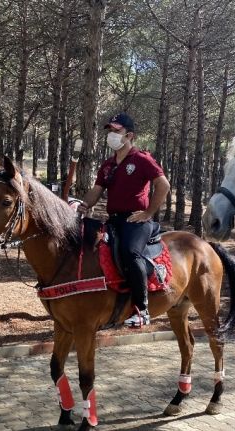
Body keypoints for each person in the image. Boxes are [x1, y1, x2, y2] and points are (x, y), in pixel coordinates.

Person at [79, 113, 170, 328]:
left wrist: (148, 212)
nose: (111, 135)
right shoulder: (108, 165)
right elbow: (96, 191)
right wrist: (84, 205)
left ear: (129, 135)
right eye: (110, 131)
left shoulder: (142, 159)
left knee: (130, 252)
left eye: (116, 131)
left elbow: (163, 185)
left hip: (136, 221)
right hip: (113, 220)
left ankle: (142, 309)